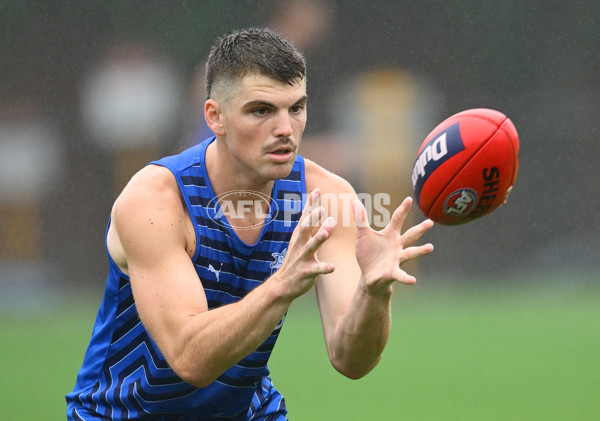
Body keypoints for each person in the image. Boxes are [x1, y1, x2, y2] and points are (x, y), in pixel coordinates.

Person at [66, 28, 434, 420]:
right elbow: (190, 359)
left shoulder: (325, 196)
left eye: (296, 108)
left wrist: (373, 294)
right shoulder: (156, 200)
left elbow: (350, 359)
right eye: (261, 111)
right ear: (215, 117)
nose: (285, 129)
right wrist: (282, 286)